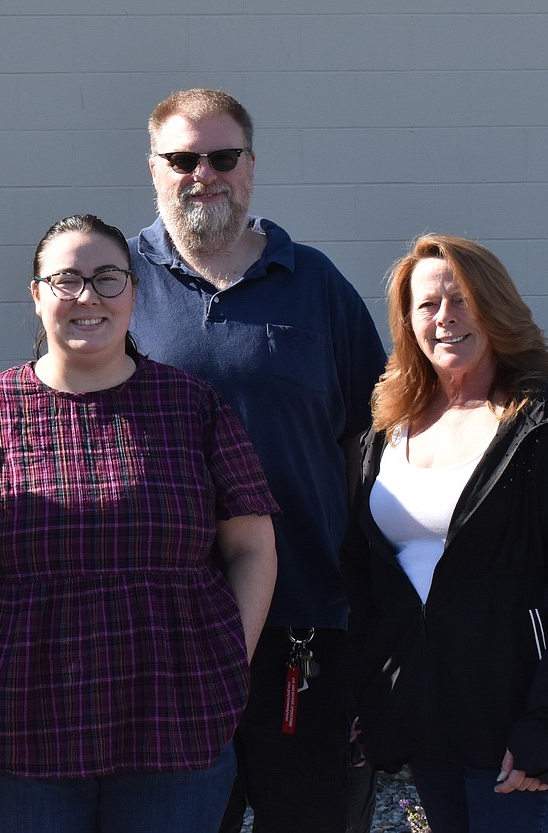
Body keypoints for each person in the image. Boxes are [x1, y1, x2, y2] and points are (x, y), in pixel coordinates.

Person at [0, 213, 280, 833]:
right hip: (19, 726)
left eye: (108, 278)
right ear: (36, 295)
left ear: (133, 292)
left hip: (173, 715)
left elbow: (251, 546)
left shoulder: (192, 406)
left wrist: (227, 657)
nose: (88, 297)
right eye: (66, 280)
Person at [128, 88, 387, 833]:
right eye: (182, 158)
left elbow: (369, 446)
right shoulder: (119, 286)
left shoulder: (316, 286)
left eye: (222, 156)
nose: (202, 173)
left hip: (303, 627)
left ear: (251, 166)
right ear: (154, 169)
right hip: (162, 632)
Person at [340, 234, 548, 833]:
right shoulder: (388, 428)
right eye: (427, 305)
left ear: (494, 307)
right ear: (406, 321)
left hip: (514, 725)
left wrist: (544, 725)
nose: (445, 318)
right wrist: (373, 691)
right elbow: (368, 579)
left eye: (462, 299)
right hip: (425, 719)